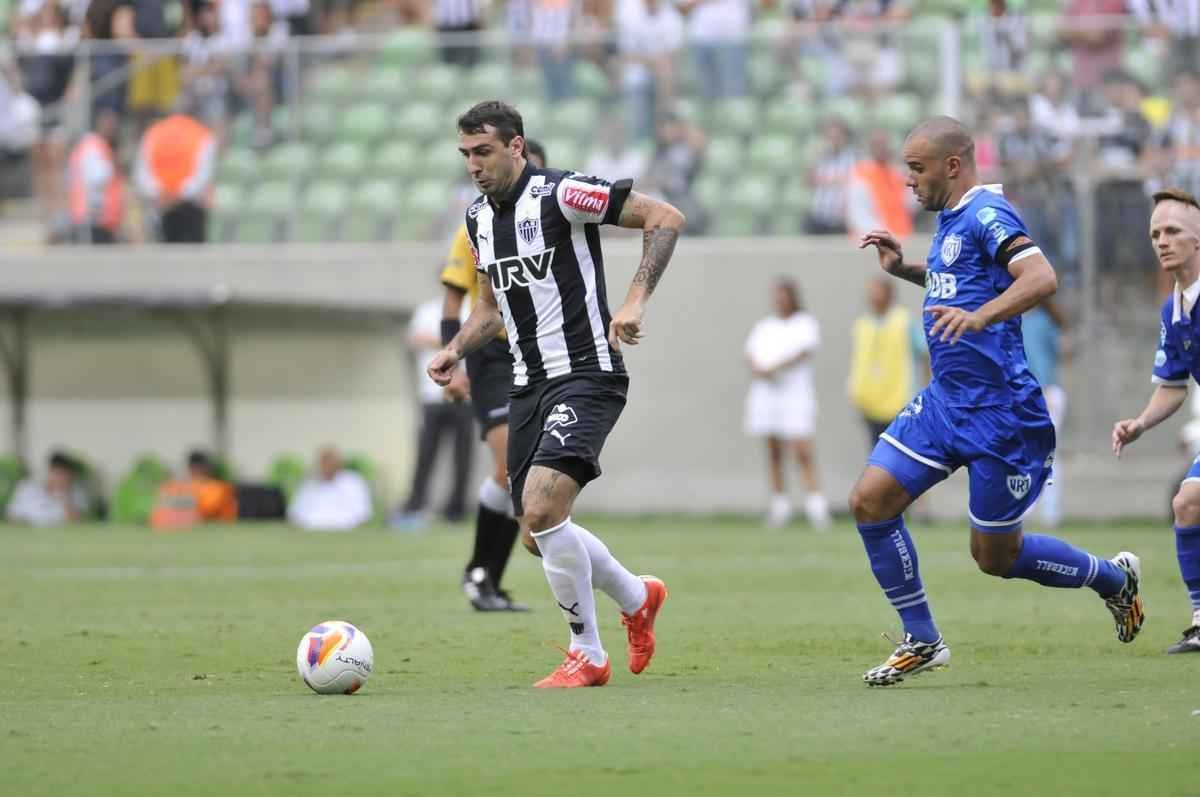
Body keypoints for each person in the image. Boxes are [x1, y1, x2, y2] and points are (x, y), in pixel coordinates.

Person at [852, 116, 1143, 687]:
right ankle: (923, 639)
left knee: (995, 557)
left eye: (917, 168)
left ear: (953, 165)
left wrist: (982, 317)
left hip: (1001, 415)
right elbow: (959, 287)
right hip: (946, 402)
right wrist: (906, 269)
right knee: (870, 502)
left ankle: (1113, 579)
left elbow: (1041, 278)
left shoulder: (988, 214)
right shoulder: (953, 219)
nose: (909, 181)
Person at [428, 101, 685, 688]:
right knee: (535, 532)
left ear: (516, 147)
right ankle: (637, 595)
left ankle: (588, 655)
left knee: (542, 508)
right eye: (465, 154)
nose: (473, 164)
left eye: (484, 151)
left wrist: (635, 299)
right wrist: (455, 350)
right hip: (527, 384)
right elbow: (491, 309)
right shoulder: (476, 222)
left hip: (589, 372)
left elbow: (664, 217)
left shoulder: (564, 193)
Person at [440, 138, 547, 612]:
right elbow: (453, 302)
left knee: (520, 472)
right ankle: (478, 575)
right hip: (494, 356)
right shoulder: (477, 226)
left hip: (541, 353)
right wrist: (455, 361)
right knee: (507, 468)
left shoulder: (551, 220)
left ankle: (489, 583)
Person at [1112, 188, 1200, 655]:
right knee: (1188, 503)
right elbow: (1173, 383)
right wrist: (1141, 423)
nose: (1162, 241)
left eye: (1172, 231)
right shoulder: (1175, 307)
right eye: (1154, 233)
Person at [743, 278, 830, 529]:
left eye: (784, 295)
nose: (780, 300)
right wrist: (759, 369)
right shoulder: (765, 326)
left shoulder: (805, 324)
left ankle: (816, 506)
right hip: (766, 395)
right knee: (773, 451)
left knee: (802, 451)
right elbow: (750, 354)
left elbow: (803, 352)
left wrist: (775, 367)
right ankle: (779, 506)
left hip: (795, 395)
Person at [394, 285, 474, 527]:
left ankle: (456, 508)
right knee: (426, 452)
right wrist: (455, 341)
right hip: (431, 396)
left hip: (464, 394)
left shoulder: (473, 308)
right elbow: (414, 338)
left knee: (462, 455)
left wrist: (445, 343)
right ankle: (416, 504)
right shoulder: (427, 310)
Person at [848, 275, 925, 450]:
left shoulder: (904, 320)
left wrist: (925, 391)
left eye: (878, 291)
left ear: (890, 294)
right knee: (876, 454)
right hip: (870, 403)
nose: (873, 296)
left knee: (900, 456)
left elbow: (924, 353)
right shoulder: (862, 324)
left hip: (899, 403)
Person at [135, 110, 217, 243]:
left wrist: (164, 194)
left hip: (165, 205)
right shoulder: (201, 133)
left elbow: (143, 175)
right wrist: (179, 195)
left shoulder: (153, 133)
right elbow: (203, 175)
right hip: (188, 206)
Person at [1022, 301, 1066, 528]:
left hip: (1045, 392)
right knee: (1031, 455)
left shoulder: (1039, 322)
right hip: (1031, 394)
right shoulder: (1023, 320)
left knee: (1047, 456)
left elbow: (1043, 360)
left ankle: (1048, 512)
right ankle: (1028, 508)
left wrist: (1045, 388)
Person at [66, 111, 126, 244]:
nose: (114, 129)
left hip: (99, 220)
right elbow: (97, 180)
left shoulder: (96, 146)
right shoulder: (93, 146)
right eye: (110, 124)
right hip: (95, 220)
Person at [288, 446, 373, 531]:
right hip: (311, 529)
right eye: (324, 463)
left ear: (339, 464)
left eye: (330, 463)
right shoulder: (309, 483)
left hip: (344, 528)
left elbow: (362, 514)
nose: (326, 467)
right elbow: (295, 513)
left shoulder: (354, 482)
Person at [149, 450, 237, 529]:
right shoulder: (215, 488)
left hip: (160, 527)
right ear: (207, 468)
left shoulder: (168, 486)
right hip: (190, 526)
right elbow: (223, 516)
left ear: (189, 467)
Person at [6, 451, 88, 526]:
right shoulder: (27, 487)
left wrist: (64, 498)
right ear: (50, 471)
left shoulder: (74, 492)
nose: (60, 478)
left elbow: (77, 521)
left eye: (64, 475)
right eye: (57, 473)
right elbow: (13, 516)